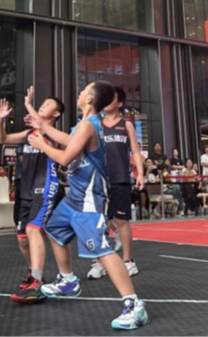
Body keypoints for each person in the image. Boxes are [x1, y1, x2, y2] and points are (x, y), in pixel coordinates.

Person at [28, 81, 149, 330]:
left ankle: (134, 305)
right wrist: (43, 126)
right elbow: (69, 139)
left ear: (90, 100)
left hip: (89, 197)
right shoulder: (84, 125)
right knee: (54, 229)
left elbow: (64, 157)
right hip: (75, 196)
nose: (81, 92)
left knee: (101, 250)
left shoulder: (89, 125)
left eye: (85, 90)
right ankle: (68, 281)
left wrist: (42, 145)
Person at [0, 86, 66, 303]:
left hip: (44, 187)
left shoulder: (52, 134)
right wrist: (0, 120)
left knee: (33, 229)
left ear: (56, 114)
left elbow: (51, 138)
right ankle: (35, 273)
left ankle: (37, 282)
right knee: (22, 240)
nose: (42, 106)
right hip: (25, 189)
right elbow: (2, 139)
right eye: (41, 104)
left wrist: (28, 105)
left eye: (47, 105)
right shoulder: (29, 134)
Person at [87, 86, 145, 281]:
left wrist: (140, 174)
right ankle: (99, 262)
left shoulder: (126, 125)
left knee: (122, 220)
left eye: (110, 99)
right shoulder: (96, 124)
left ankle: (128, 262)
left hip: (120, 178)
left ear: (119, 103)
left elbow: (135, 151)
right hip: (98, 179)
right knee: (98, 221)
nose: (106, 102)